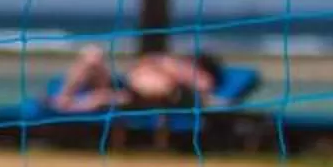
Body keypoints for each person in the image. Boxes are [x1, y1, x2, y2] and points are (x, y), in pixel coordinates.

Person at [47, 46, 221, 116]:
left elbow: (204, 88)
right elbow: (139, 65)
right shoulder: (172, 63)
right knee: (91, 56)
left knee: (101, 97)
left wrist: (172, 70)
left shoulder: (198, 76)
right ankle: (64, 98)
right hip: (125, 83)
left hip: (142, 98)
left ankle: (66, 106)